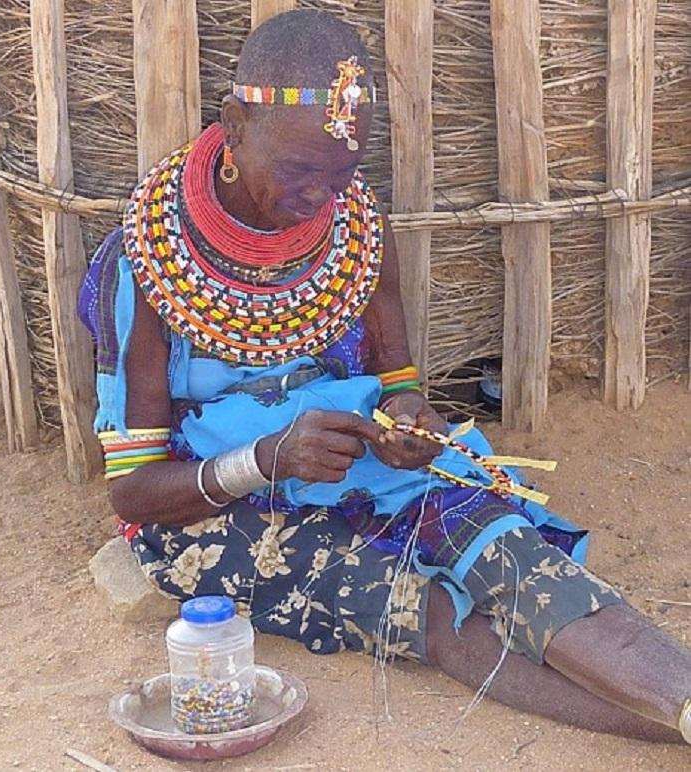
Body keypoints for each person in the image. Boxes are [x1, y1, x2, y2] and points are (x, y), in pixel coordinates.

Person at [78, 9, 690, 744]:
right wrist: (266, 459)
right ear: (234, 126)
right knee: (421, 609)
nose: (321, 197)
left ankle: (682, 706)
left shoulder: (358, 231)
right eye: (300, 170)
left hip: (365, 471)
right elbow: (135, 490)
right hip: (211, 509)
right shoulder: (146, 261)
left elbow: (396, 379)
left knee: (506, 551)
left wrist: (409, 421)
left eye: (342, 173)